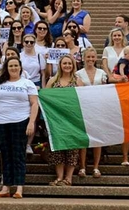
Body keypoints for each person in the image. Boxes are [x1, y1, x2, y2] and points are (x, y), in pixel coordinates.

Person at [0, 57, 38, 199]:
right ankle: (6, 187)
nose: (13, 68)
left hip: (20, 121)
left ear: (20, 67)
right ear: (7, 68)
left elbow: (34, 104)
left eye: (16, 65)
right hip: (1, 122)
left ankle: (19, 188)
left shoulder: (27, 83)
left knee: (18, 155)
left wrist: (31, 122)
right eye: (10, 66)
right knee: (5, 155)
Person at [45, 55, 79, 186]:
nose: (67, 66)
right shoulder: (52, 81)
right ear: (60, 65)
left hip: (73, 120)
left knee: (72, 149)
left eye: (69, 63)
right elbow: (46, 99)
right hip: (57, 121)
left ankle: (68, 177)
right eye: (64, 63)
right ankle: (59, 177)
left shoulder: (78, 81)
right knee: (57, 148)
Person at [75, 47, 107, 178]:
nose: (91, 59)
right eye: (88, 57)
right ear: (83, 58)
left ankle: (95, 167)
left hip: (99, 108)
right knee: (84, 139)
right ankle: (82, 167)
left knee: (97, 139)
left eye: (93, 57)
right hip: (84, 108)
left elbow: (105, 89)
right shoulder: (78, 73)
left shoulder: (102, 73)